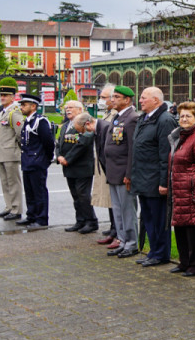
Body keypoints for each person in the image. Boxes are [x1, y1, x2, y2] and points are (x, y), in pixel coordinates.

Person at [165, 101, 195, 276]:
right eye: (182, 116)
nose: (184, 119)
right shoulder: (181, 136)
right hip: (179, 191)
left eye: (188, 116)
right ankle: (184, 262)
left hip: (192, 192)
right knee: (180, 227)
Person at [130, 87, 176, 267]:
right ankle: (153, 251)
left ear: (156, 100)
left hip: (155, 180)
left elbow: (166, 154)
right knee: (148, 218)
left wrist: (164, 182)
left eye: (143, 98)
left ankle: (161, 253)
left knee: (159, 220)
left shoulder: (165, 120)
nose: (140, 101)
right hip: (143, 179)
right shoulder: (145, 118)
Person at [102, 86, 140, 259]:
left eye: (116, 97)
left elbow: (132, 148)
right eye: (112, 97)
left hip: (123, 172)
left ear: (127, 99)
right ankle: (123, 240)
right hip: (113, 171)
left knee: (127, 210)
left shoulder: (131, 118)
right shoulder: (118, 117)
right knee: (117, 210)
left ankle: (131, 243)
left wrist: (129, 174)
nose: (113, 99)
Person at [17, 93, 55, 227]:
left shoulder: (40, 121)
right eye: (21, 104)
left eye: (24, 105)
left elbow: (48, 142)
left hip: (37, 161)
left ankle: (41, 218)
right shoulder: (28, 121)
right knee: (29, 191)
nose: (21, 107)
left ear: (33, 106)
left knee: (39, 192)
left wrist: (47, 159)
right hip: (27, 161)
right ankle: (31, 215)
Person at [57, 110, 98, 233]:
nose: (68, 110)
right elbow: (59, 143)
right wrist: (59, 156)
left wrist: (67, 159)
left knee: (83, 195)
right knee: (76, 196)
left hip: (82, 167)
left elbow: (82, 144)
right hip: (68, 166)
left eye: (71, 107)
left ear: (79, 110)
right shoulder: (66, 125)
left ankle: (91, 221)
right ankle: (80, 221)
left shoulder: (86, 126)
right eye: (67, 107)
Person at [0, 85, 25, 221]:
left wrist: (15, 147)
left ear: (12, 97)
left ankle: (16, 209)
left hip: (10, 152)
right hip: (2, 152)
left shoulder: (14, 112)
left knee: (13, 182)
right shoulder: (2, 112)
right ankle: (9, 207)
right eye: (1, 95)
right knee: (5, 182)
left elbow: (20, 132)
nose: (2, 98)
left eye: (5, 96)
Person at [91, 85, 117, 245]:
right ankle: (113, 226)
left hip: (112, 165)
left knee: (113, 199)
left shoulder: (115, 116)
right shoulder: (108, 115)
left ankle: (116, 229)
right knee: (109, 199)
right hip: (104, 164)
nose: (101, 100)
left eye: (104, 97)